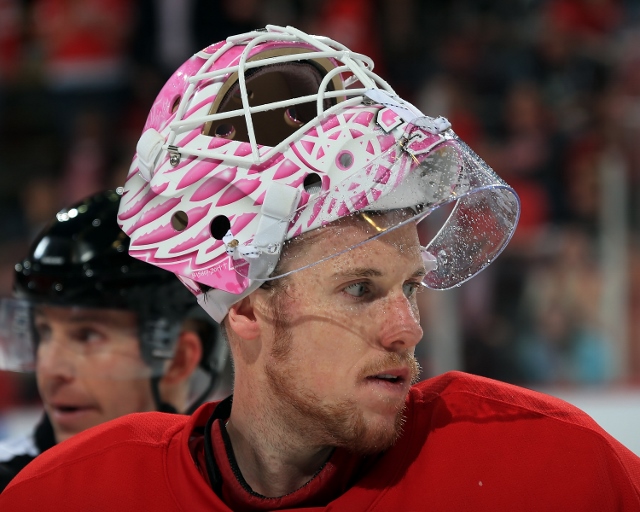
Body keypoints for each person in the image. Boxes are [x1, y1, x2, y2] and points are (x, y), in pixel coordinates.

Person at [2, 25, 640, 510]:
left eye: (409, 286)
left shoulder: (548, 469)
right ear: (245, 305)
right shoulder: (74, 492)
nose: (408, 329)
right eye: (360, 289)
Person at [0, 189, 227, 492]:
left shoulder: (231, 495)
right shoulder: (10, 491)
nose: (50, 369)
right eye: (43, 332)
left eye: (88, 335)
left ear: (178, 359)